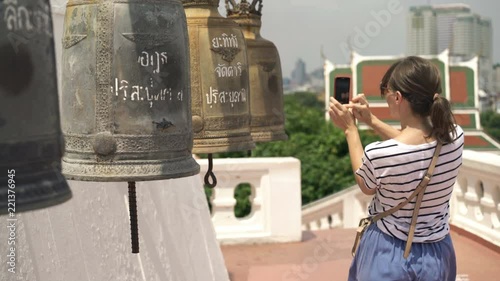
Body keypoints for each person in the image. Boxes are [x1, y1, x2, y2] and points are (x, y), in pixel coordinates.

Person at [328, 56, 464, 281]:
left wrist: (350, 129)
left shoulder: (379, 154)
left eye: (387, 92)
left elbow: (366, 185)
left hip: (389, 252)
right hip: (438, 253)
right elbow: (417, 145)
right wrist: (371, 121)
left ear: (398, 97)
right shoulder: (455, 136)